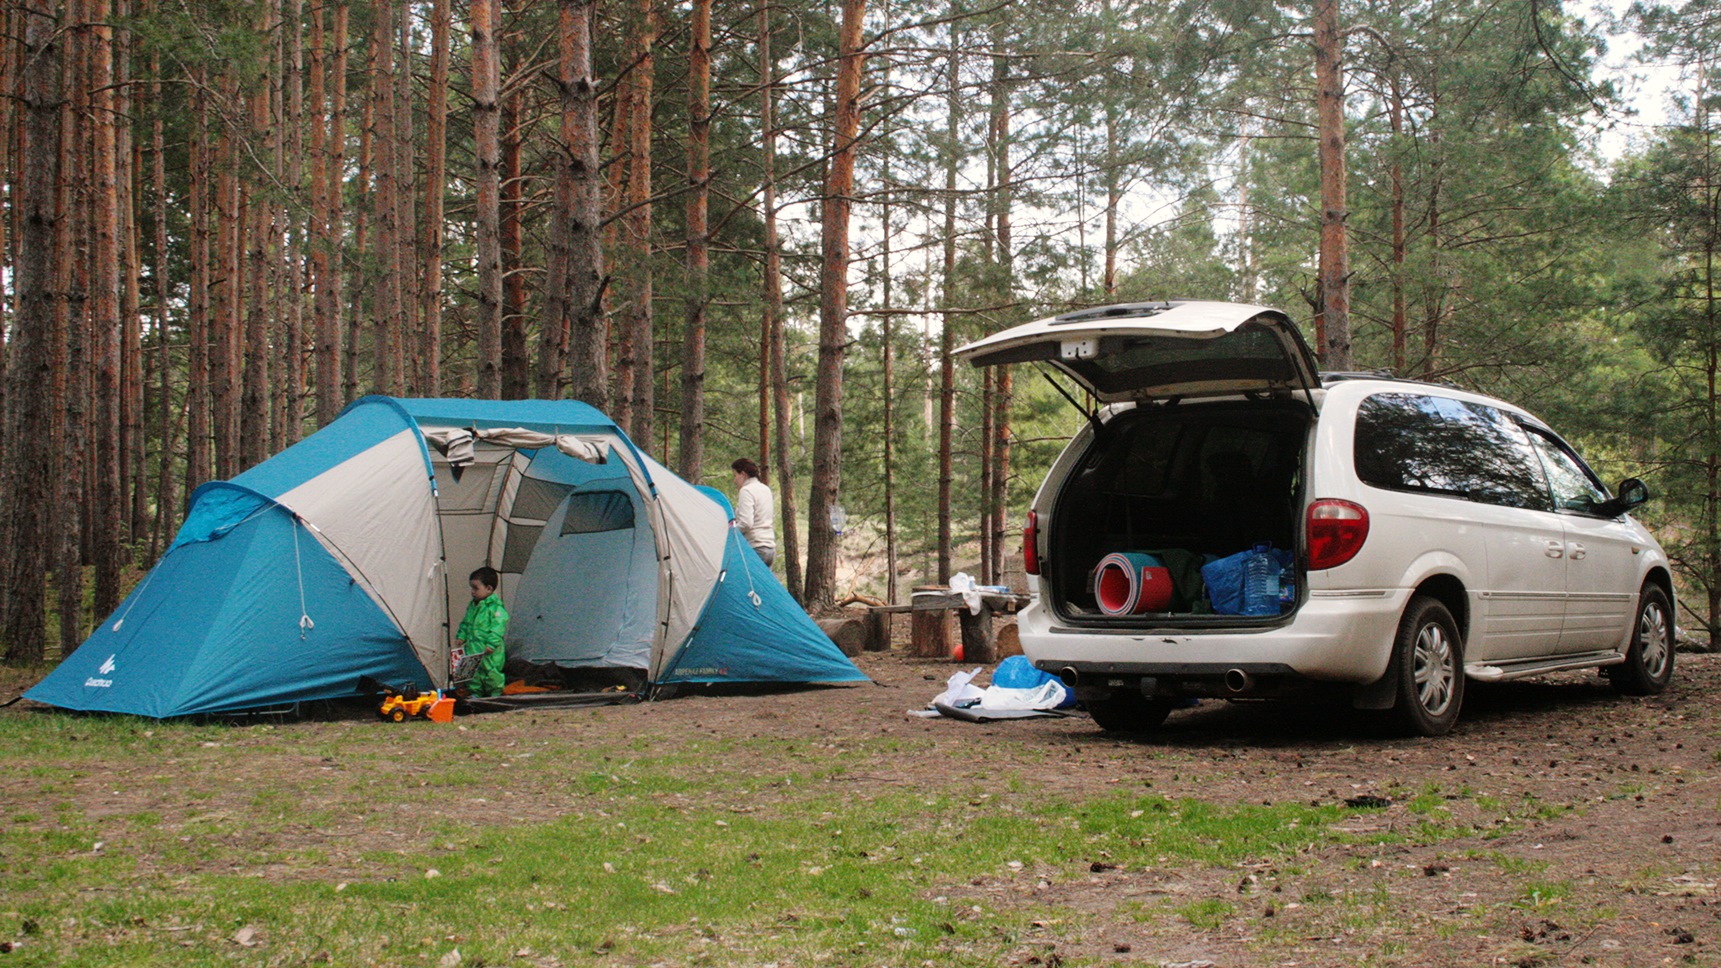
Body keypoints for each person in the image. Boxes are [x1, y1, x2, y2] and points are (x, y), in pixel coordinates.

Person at [455, 566, 509, 698]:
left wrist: (492, 644)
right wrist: (461, 636)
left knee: (491, 672)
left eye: (475, 588)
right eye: (471, 588)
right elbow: (466, 622)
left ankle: (494, 693)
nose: (472, 592)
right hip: (473, 648)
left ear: (489, 589)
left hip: (489, 651)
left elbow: (498, 627)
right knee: (473, 672)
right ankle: (475, 693)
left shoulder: (495, 608)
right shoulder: (473, 606)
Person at [731, 457, 776, 566]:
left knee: (745, 582)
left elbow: (746, 523)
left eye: (735, 475)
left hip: (755, 547)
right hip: (770, 547)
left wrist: (731, 532)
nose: (734, 480)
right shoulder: (765, 489)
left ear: (743, 474)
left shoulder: (746, 491)